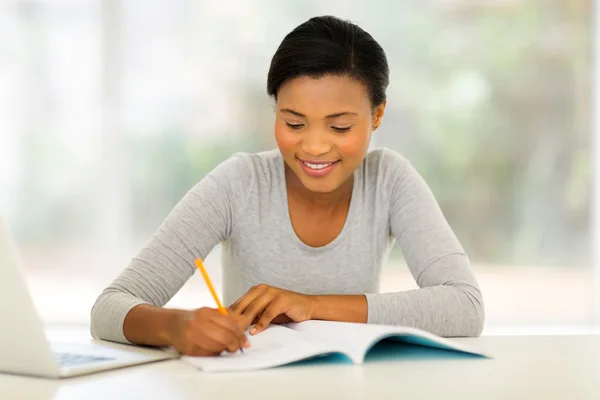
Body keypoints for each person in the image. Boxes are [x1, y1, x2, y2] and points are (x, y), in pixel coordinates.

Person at [91, 15, 484, 357]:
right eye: (293, 123)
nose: (314, 146)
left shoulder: (389, 180)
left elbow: (464, 306)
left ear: (377, 114)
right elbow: (109, 308)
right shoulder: (238, 184)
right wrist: (176, 327)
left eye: (340, 126)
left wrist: (311, 305)